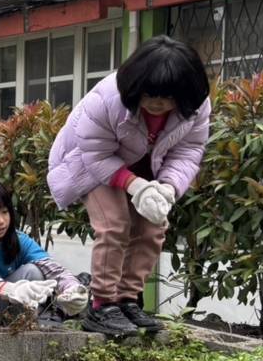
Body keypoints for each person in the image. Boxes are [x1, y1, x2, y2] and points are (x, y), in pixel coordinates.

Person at [48, 35, 211, 337]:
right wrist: (134, 186)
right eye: (149, 94)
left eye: (168, 97)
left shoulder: (195, 108)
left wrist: (168, 188)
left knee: (153, 225)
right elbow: (95, 153)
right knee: (114, 223)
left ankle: (126, 300)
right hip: (90, 164)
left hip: (147, 168)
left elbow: (188, 152)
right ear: (135, 86)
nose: (157, 103)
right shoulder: (106, 100)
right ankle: (101, 306)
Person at [0, 177, 89, 329]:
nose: (1, 221)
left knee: (33, 272)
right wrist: (3, 287)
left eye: (4, 211)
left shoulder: (19, 240)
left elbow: (51, 267)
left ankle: (15, 328)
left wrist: (72, 288)